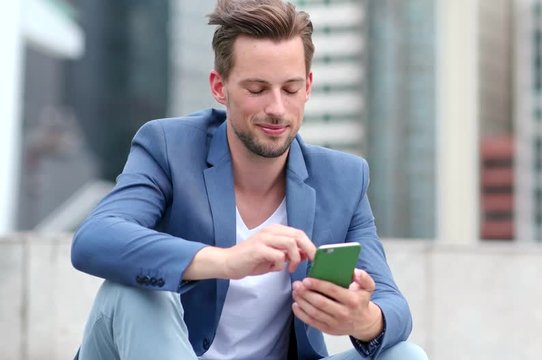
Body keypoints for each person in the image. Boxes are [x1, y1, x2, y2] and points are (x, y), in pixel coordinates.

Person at [71, 0, 427, 359]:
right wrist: (227, 261)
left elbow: (393, 304)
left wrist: (363, 320)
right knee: (130, 292)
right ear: (219, 86)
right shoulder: (168, 147)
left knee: (406, 356)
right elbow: (96, 238)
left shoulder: (343, 179)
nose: (276, 108)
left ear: (308, 87)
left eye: (289, 89)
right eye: (257, 89)